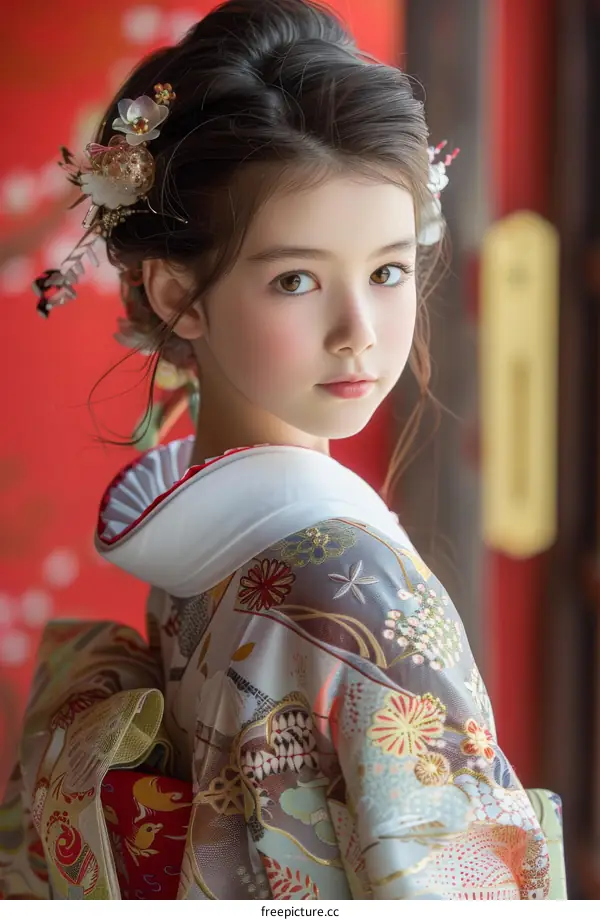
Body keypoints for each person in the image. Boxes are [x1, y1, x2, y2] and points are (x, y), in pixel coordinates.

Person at [0, 0, 562, 901]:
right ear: (178, 295)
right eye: (296, 279)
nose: (359, 334)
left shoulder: (195, 540)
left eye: (386, 271)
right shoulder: (349, 586)